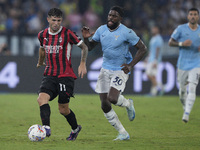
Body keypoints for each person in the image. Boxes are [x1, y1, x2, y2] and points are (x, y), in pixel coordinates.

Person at [82, 6, 147, 140]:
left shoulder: (127, 32)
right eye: (110, 15)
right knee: (104, 105)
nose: (111, 18)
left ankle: (128, 104)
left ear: (120, 19)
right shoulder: (101, 30)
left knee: (112, 98)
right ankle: (123, 133)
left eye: (114, 16)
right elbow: (89, 47)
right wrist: (86, 38)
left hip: (120, 69)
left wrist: (130, 65)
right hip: (105, 68)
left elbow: (142, 48)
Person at [36, 8, 88, 140]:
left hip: (65, 75)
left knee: (63, 110)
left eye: (59, 20)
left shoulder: (68, 33)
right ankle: (46, 128)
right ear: (48, 19)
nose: (56, 23)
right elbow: (42, 48)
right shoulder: (42, 34)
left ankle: (75, 128)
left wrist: (82, 63)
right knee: (41, 99)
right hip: (49, 74)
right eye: (54, 20)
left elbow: (84, 47)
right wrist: (40, 61)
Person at [168, 8, 200, 123]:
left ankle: (186, 114)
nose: (193, 16)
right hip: (182, 64)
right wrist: (182, 43)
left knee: (192, 88)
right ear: (188, 16)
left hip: (196, 64)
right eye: (191, 14)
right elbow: (170, 42)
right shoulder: (181, 29)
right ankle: (185, 107)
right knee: (182, 92)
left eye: (195, 14)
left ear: (198, 17)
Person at [145, 25, 164, 96]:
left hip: (154, 60)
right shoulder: (153, 38)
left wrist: (156, 61)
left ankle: (160, 88)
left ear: (157, 30)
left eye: (154, 29)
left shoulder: (158, 39)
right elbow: (151, 50)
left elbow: (157, 50)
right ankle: (154, 92)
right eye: (152, 29)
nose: (153, 30)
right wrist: (147, 58)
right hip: (150, 59)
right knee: (153, 76)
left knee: (148, 74)